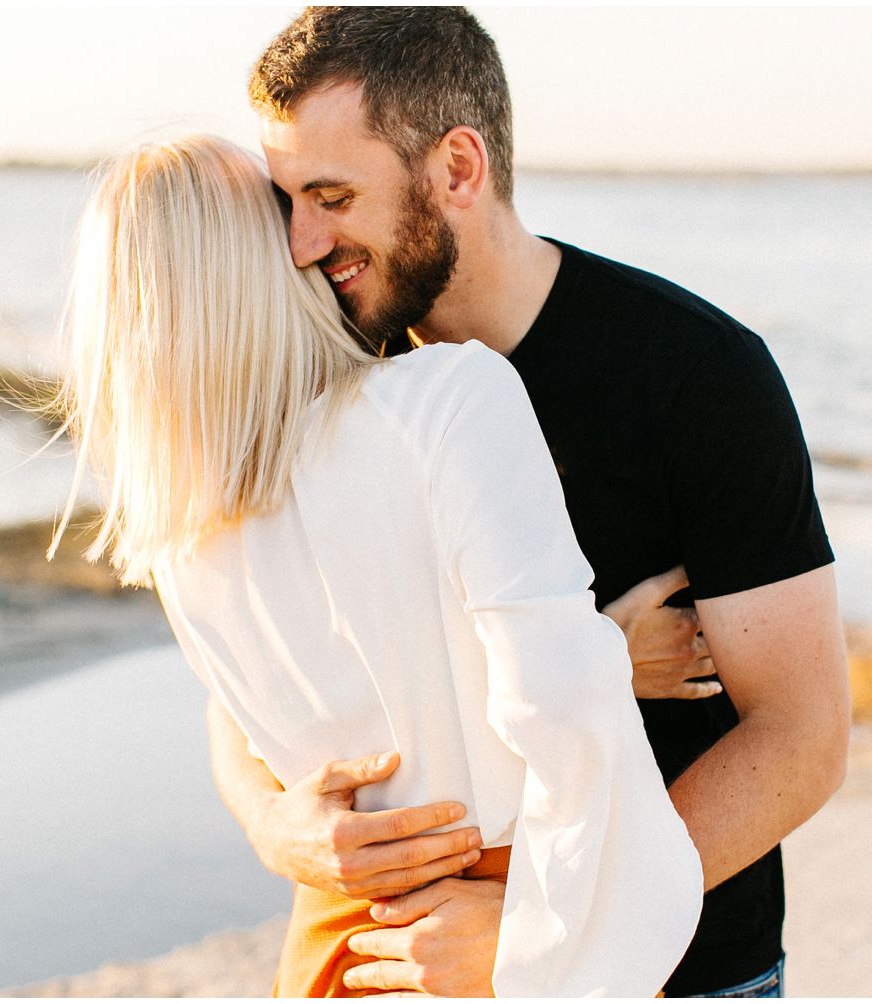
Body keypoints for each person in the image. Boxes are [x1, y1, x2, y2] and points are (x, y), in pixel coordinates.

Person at [207, 7, 852, 998]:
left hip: (676, 976)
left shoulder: (694, 374)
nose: (300, 242)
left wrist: (556, 921)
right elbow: (246, 661)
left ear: (458, 171)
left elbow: (801, 735)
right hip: (406, 967)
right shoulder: (322, 375)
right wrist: (273, 823)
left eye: (332, 196)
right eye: (287, 199)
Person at [49, 134, 704, 997]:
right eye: (286, 209)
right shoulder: (446, 400)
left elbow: (281, 717)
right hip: (483, 938)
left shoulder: (175, 523)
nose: (314, 236)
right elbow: (559, 705)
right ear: (259, 256)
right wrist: (556, 942)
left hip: (338, 954)